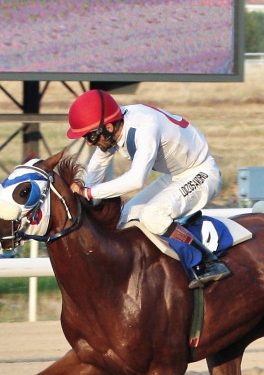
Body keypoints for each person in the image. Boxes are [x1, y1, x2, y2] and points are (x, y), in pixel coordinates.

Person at [66, 89, 230, 288]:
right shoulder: (114, 126)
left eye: (90, 137)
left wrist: (89, 192)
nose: (90, 143)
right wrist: (82, 188)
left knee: (152, 215)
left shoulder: (144, 128)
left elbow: (136, 180)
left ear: (108, 127)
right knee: (123, 219)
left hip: (202, 172)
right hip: (175, 175)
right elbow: (97, 167)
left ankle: (209, 260)